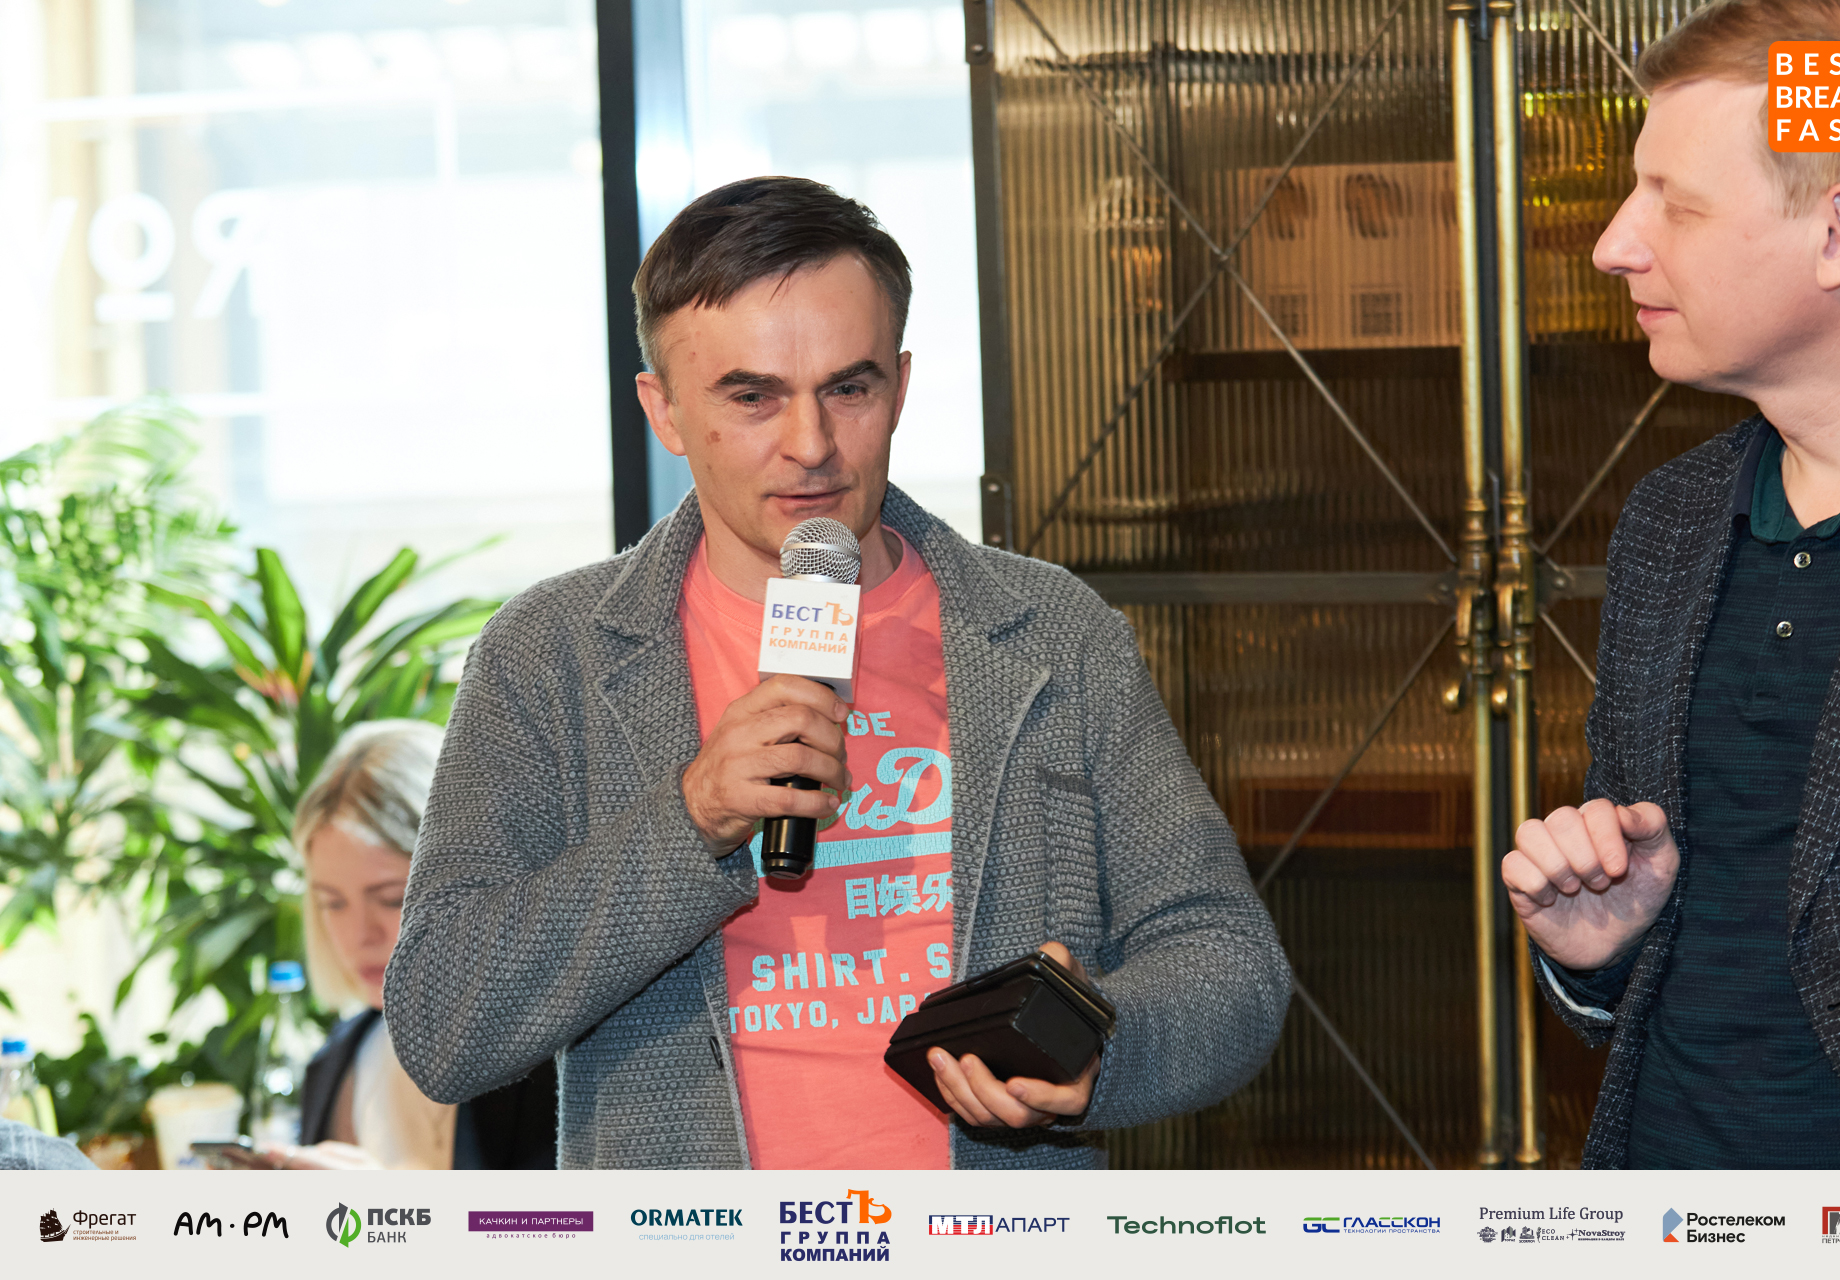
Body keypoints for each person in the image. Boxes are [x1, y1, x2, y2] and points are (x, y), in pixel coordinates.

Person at [384, 176, 1289, 1169]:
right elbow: (442, 1023)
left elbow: (1229, 961)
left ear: (898, 385)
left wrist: (1103, 1048)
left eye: (848, 390)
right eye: (752, 397)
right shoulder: (549, 656)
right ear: (665, 410)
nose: (810, 446)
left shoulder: (1052, 634)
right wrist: (691, 818)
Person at [1503, 0, 1840, 1168]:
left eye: (1674, 204)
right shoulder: (1672, 522)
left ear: (1838, 233)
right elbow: (1668, 960)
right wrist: (1598, 950)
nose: (1613, 244)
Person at [263, 720, 556, 1170]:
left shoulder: (553, 1061)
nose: (359, 935)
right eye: (332, 903)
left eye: (391, 899)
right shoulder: (334, 1065)